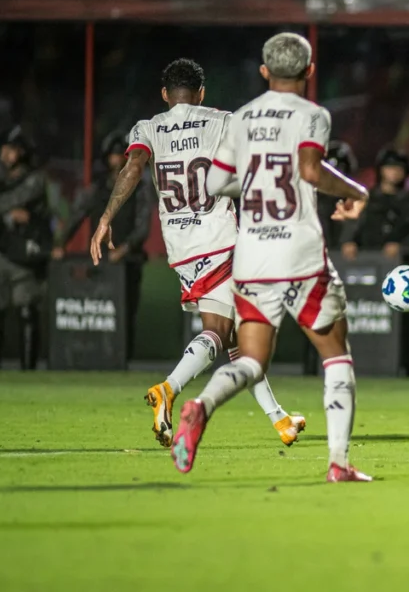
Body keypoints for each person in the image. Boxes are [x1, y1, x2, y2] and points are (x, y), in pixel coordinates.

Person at [172, 32, 372, 482]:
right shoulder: (313, 114)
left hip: (252, 255)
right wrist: (356, 192)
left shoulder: (239, 119)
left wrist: (252, 182)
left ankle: (199, 406)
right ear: (309, 71)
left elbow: (216, 184)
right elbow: (309, 169)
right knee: (335, 353)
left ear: (264, 72)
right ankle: (339, 463)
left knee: (251, 360)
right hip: (298, 252)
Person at [89, 58, 305, 449]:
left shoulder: (148, 129)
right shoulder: (222, 121)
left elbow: (133, 169)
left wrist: (106, 218)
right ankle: (169, 388)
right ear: (201, 92)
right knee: (223, 331)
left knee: (239, 334)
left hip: (181, 248)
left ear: (164, 94)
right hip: (222, 241)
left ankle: (279, 419)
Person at [55, 129, 153, 359]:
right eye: (114, 155)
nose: (118, 159)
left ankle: (122, 360)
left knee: (126, 312)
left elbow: (142, 228)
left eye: (123, 155)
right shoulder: (97, 189)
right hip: (100, 262)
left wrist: (124, 249)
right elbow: (76, 216)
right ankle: (97, 357)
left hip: (128, 261)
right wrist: (61, 244)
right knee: (97, 309)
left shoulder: (139, 190)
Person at [0, 125, 51, 370]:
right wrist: (4, 214)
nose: (6, 155)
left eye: (12, 150)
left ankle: (29, 372)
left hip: (22, 257)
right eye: (3, 150)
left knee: (27, 313)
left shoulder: (34, 180)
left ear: (22, 152)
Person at [339, 147, 409, 263]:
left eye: (399, 167)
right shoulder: (365, 198)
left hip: (401, 262)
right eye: (390, 167)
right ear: (380, 169)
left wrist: (402, 248)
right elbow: (351, 227)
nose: (394, 171)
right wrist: (348, 242)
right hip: (365, 258)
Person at [317, 140, 357, 249]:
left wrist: (351, 242)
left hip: (349, 262)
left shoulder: (357, 202)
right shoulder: (310, 201)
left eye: (339, 171)